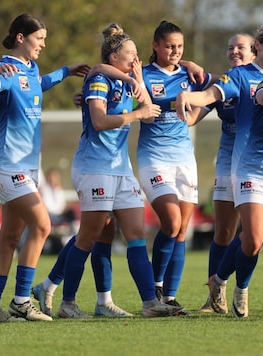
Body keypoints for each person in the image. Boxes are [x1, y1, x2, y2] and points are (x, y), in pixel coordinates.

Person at [53, 23, 185, 319]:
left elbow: (150, 114)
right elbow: (99, 121)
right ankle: (68, 303)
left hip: (121, 169)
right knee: (88, 238)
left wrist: (139, 81)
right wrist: (136, 112)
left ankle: (150, 303)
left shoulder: (129, 81)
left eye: (138, 54)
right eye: (131, 54)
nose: (136, 59)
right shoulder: (100, 79)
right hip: (94, 168)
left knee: (136, 234)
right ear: (114, 57)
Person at [0, 13, 90, 322]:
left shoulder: (30, 69)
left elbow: (38, 83)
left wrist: (66, 71)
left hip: (25, 167)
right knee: (42, 226)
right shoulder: (8, 69)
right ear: (21, 38)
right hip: (7, 164)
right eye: (39, 38)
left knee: (10, 238)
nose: (43, 44)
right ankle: (22, 301)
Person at [176, 25, 263, 316]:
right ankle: (215, 297)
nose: (234, 51)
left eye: (240, 47)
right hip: (232, 159)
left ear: (255, 50)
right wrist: (183, 98)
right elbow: (200, 106)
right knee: (225, 230)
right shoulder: (231, 80)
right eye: (230, 48)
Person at [137, 20, 214, 311]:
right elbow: (139, 111)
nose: (175, 51)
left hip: (184, 159)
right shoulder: (142, 75)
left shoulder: (189, 74)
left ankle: (169, 297)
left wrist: (201, 107)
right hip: (154, 158)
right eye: (169, 45)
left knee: (182, 229)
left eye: (180, 47)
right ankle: (156, 288)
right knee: (170, 222)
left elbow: (224, 84)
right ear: (156, 45)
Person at [39, 167, 77, 237]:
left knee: (71, 213)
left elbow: (61, 205)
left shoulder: (59, 190)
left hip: (59, 215)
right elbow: (48, 206)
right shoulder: (43, 188)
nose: (53, 179)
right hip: (49, 215)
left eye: (55, 176)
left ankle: (72, 234)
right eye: (52, 176)